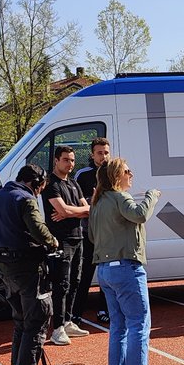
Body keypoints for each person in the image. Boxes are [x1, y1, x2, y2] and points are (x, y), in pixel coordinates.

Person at [88, 157, 167, 365]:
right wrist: (152, 196)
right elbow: (140, 215)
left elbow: (92, 236)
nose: (131, 174)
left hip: (105, 270)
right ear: (116, 176)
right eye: (127, 171)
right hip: (126, 267)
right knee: (139, 323)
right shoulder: (120, 197)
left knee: (118, 326)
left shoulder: (98, 203)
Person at [0, 164, 60, 365]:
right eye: (41, 188)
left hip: (4, 266)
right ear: (36, 183)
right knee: (37, 322)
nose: (40, 192)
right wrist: (53, 242)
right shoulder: (25, 199)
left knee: (21, 322)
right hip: (28, 268)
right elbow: (39, 232)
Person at [42, 144, 90, 346]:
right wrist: (73, 210)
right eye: (66, 160)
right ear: (56, 160)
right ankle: (58, 328)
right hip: (60, 240)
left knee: (75, 281)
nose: (70, 164)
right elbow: (63, 210)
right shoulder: (51, 184)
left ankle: (68, 321)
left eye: (72, 160)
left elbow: (88, 209)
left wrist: (71, 211)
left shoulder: (73, 183)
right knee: (61, 284)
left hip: (78, 237)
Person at [74, 137, 112, 328]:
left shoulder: (114, 172)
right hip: (88, 234)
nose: (103, 156)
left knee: (107, 275)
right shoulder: (82, 175)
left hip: (108, 235)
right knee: (84, 275)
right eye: (99, 153)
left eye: (106, 152)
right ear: (92, 154)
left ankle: (104, 311)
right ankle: (75, 315)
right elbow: (78, 203)